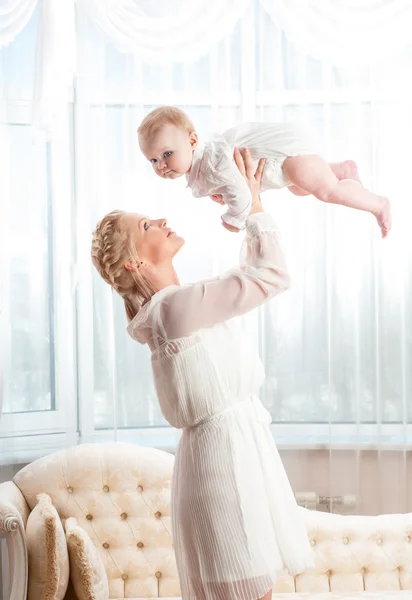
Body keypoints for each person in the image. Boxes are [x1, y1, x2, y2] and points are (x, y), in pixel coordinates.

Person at [91, 148, 314, 600]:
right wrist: (250, 207)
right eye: (146, 226)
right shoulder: (173, 310)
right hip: (223, 469)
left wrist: (244, 206)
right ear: (135, 261)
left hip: (231, 458)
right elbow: (271, 276)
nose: (159, 219)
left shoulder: (173, 309)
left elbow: (247, 276)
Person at [138, 105, 391, 238]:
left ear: (192, 142)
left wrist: (234, 218)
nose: (161, 165)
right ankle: (341, 169)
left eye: (167, 154)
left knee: (326, 190)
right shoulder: (199, 166)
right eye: (153, 160)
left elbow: (242, 193)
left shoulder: (210, 163)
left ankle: (377, 204)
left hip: (282, 153)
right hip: (282, 166)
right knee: (299, 188)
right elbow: (232, 182)